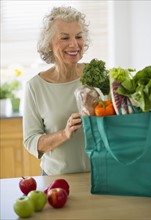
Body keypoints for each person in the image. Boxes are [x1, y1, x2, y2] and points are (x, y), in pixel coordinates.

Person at [23, 6, 91, 175]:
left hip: (100, 174)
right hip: (56, 179)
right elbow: (31, 142)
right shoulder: (36, 87)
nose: (74, 44)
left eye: (79, 36)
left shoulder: (96, 76)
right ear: (49, 45)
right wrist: (65, 133)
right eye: (65, 38)